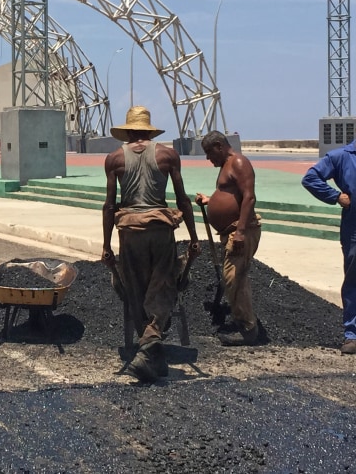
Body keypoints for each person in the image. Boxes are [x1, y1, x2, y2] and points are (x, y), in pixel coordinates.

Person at [102, 106, 201, 382]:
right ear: (148, 131)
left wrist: (106, 244)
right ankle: (152, 351)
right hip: (160, 229)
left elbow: (110, 205)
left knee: (135, 287)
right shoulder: (167, 155)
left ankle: (147, 349)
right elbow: (183, 200)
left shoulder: (114, 159)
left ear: (129, 131)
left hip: (130, 231)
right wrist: (193, 237)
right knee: (162, 283)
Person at [195, 130, 262, 347]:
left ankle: (248, 329)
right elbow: (230, 194)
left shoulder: (239, 162)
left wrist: (241, 231)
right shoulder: (227, 165)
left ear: (219, 146)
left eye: (209, 153)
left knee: (234, 277)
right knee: (234, 277)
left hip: (241, 230)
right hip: (231, 231)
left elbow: (249, 198)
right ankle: (244, 323)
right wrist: (210, 200)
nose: (208, 158)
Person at [302, 140, 356, 355]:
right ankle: (352, 334)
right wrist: (335, 196)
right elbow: (310, 178)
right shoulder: (341, 156)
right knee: (353, 281)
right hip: (354, 231)